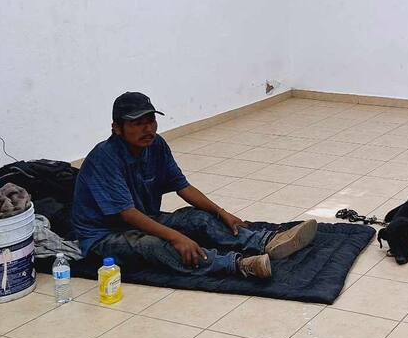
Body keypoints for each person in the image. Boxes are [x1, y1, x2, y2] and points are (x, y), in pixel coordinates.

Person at [72, 92, 316, 279]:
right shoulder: (105, 158)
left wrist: (221, 212)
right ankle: (239, 265)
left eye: (151, 121)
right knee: (156, 245)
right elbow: (128, 214)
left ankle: (265, 241)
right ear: (116, 128)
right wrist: (177, 237)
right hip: (103, 237)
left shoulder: (156, 146)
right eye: (137, 123)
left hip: (147, 218)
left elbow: (183, 187)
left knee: (198, 218)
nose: (147, 128)